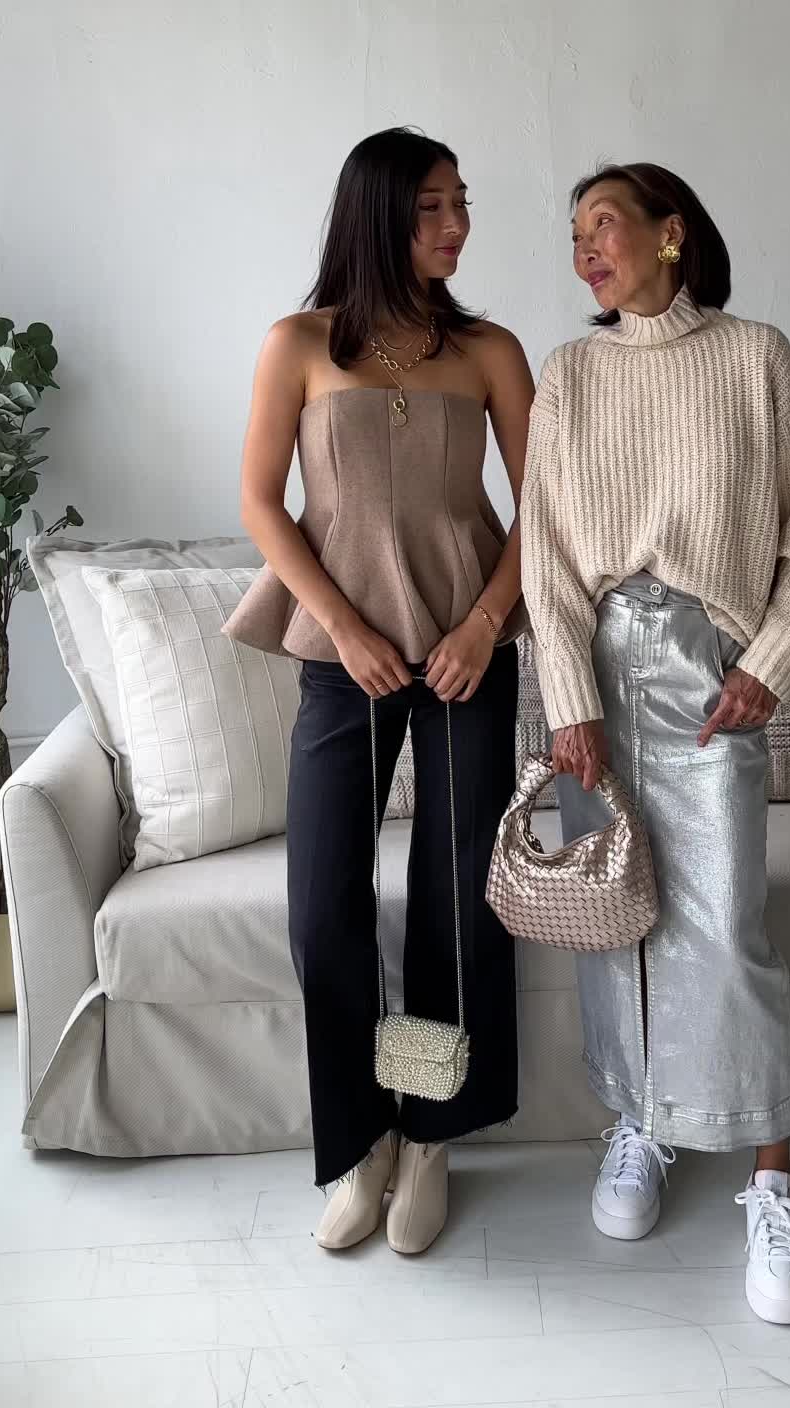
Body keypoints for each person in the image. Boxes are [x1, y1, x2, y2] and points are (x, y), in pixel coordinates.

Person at [519, 160, 790, 1326]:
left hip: (711, 668)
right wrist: (569, 700)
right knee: (616, 910)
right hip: (599, 666)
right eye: (572, 232)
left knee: (726, 921)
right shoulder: (569, 375)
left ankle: (772, 1181)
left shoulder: (758, 358)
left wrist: (771, 664)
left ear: (670, 234)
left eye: (602, 223)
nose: (583, 248)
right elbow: (545, 555)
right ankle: (643, 1122)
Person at [223, 126, 534, 1256]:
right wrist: (345, 627)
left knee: (455, 905)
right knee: (325, 909)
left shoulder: (490, 349)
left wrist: (485, 625)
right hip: (341, 654)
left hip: (466, 653)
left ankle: (430, 1132)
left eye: (462, 203)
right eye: (432, 207)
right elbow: (262, 501)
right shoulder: (299, 344)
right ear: (378, 215)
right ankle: (363, 1143)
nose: (457, 225)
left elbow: (545, 508)